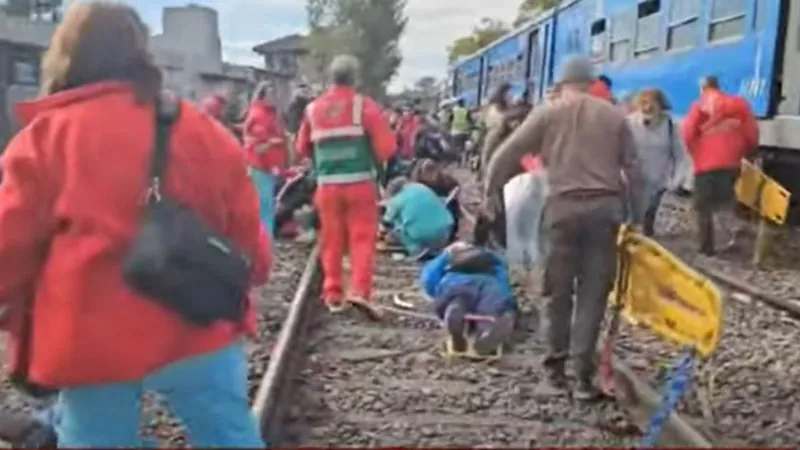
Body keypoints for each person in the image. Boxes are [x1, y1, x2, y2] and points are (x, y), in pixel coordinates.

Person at [0, 2, 271, 447]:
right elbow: (243, 227)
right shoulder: (199, 129)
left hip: (89, 339)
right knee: (230, 436)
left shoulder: (44, 139)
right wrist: (252, 273)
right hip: (196, 320)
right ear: (140, 53)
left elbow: (8, 249)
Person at [483, 55, 643, 400]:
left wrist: (489, 192)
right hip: (604, 212)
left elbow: (504, 155)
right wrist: (638, 217)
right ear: (591, 82)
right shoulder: (614, 115)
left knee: (557, 292)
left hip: (561, 211)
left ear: (562, 81)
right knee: (593, 294)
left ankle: (554, 371)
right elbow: (634, 171)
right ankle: (583, 377)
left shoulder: (547, 112)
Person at [295, 54, 396, 318]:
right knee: (362, 239)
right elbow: (386, 148)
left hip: (327, 187)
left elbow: (301, 147)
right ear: (356, 78)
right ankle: (359, 292)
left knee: (331, 239)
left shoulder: (312, 109)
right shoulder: (364, 106)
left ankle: (333, 294)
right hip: (360, 184)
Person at [682, 75, 759, 255]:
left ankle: (706, 247)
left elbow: (688, 133)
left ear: (703, 88)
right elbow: (751, 133)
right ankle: (734, 235)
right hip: (732, 162)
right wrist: (747, 153)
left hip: (706, 164)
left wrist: (697, 153)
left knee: (702, 207)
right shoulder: (740, 105)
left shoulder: (699, 106)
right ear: (718, 86)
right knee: (725, 200)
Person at [420, 241, 517, 356]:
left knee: (458, 300)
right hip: (490, 284)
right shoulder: (492, 259)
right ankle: (486, 331)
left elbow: (429, 280)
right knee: (492, 309)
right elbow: (504, 282)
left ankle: (454, 312)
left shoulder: (448, 258)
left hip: (456, 283)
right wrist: (509, 304)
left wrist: (444, 256)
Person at [626, 88, 685, 236]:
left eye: (652, 104)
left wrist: (675, 179)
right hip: (633, 179)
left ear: (661, 106)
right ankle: (630, 239)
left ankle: (646, 238)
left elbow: (678, 154)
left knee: (649, 213)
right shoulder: (629, 123)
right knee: (631, 214)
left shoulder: (670, 126)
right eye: (643, 104)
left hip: (658, 181)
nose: (647, 108)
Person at [243, 81, 288, 237]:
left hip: (268, 168)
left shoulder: (270, 114)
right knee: (265, 209)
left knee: (267, 207)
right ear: (262, 95)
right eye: (271, 94)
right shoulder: (259, 115)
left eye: (276, 94)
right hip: (261, 168)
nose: (275, 98)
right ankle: (264, 246)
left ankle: (265, 245)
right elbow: (257, 147)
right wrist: (273, 142)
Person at [381, 177, 454, 260]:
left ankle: (416, 250)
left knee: (398, 223)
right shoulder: (420, 187)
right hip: (446, 229)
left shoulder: (396, 200)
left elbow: (386, 222)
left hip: (421, 233)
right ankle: (435, 250)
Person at [410, 158, 461, 242]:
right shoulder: (417, 182)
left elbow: (456, 187)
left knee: (453, 206)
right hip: (425, 207)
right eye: (427, 173)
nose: (431, 177)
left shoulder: (444, 179)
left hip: (444, 206)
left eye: (432, 173)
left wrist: (450, 197)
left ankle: (450, 234)